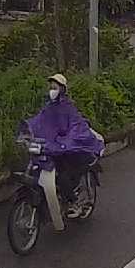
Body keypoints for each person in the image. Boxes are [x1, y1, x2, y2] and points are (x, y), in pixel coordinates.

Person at [23, 74, 105, 217]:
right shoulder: (48, 107)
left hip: (68, 150)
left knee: (63, 177)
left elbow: (75, 127)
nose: (52, 90)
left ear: (62, 89)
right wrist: (27, 132)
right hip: (54, 147)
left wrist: (65, 143)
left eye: (55, 87)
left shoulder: (68, 107)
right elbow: (39, 122)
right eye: (51, 87)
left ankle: (74, 202)